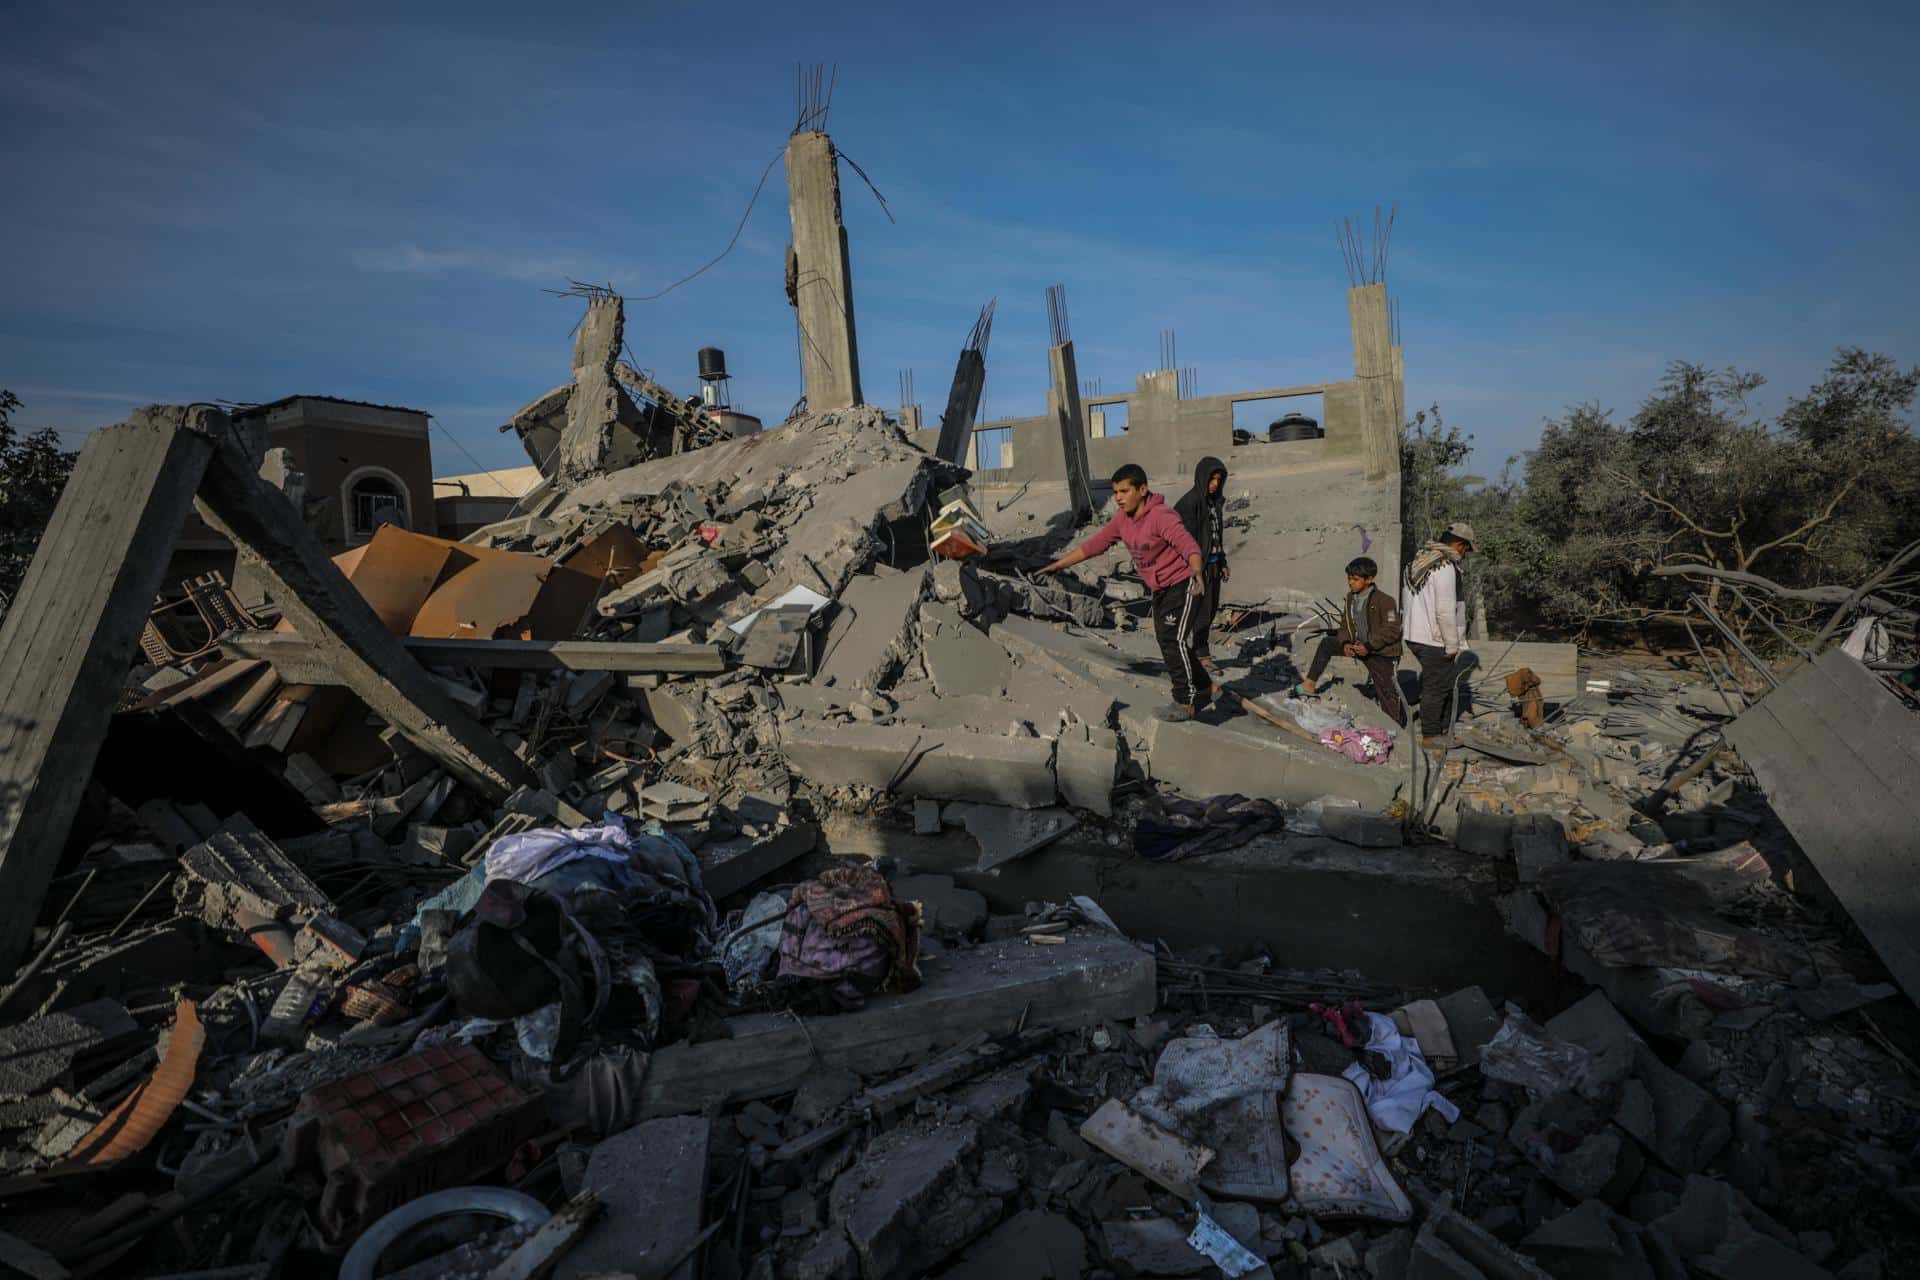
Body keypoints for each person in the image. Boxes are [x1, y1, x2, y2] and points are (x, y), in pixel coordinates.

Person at [1039, 463, 1209, 721]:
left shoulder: (1161, 515)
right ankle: (1208, 687)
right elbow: (1095, 545)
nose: (1118, 497)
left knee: (1173, 640)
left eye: (1124, 491)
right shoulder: (1122, 520)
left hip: (1184, 583)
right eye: (1115, 492)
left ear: (1142, 489)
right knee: (1167, 641)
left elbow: (1188, 544)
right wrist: (1059, 564)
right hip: (1160, 589)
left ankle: (1185, 702)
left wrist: (1197, 572)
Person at [1295, 556, 1405, 726]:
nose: (1350, 582)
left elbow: (1392, 630)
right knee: (1328, 644)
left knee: (1387, 693)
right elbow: (1344, 625)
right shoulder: (1351, 598)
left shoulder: (1386, 601)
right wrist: (1345, 643)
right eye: (1349, 578)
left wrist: (1369, 646)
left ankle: (1394, 729)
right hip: (1358, 646)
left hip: (1380, 652)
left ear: (1369, 580)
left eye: (1355, 579)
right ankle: (1309, 685)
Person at [1404, 521, 1475, 745]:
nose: (1466, 554)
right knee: (1436, 688)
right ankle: (1431, 736)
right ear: (1458, 544)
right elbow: (1445, 611)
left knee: (1440, 684)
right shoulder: (1444, 567)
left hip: (1414, 634)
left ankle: (1440, 730)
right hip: (1433, 638)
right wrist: (1452, 645)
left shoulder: (1418, 561)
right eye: (1466, 548)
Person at [1174, 456, 1230, 674]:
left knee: (1210, 609)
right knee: (1197, 612)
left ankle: (1198, 653)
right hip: (1197, 568)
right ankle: (1195, 655)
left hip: (1214, 566)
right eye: (1211, 479)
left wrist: (1222, 561)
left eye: (1218, 479)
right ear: (1202, 477)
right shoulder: (1190, 503)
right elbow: (1180, 537)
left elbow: (1215, 537)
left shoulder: (1214, 503)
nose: (1214, 484)